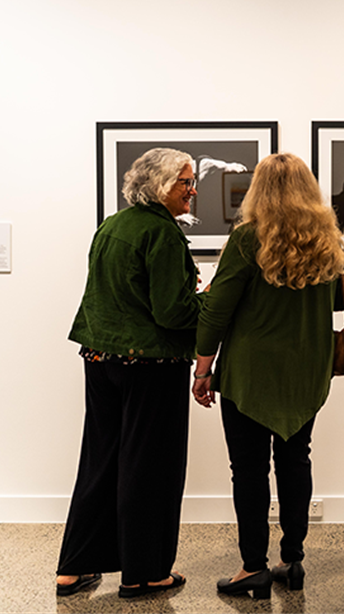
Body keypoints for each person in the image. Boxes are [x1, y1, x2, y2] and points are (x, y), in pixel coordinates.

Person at [192, 153, 344, 599]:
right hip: (305, 372)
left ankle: (252, 569)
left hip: (250, 375)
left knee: (248, 470)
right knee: (296, 461)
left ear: (258, 190)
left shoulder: (247, 240)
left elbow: (216, 311)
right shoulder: (328, 240)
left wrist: (203, 369)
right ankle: (292, 560)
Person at [56, 148, 204, 598]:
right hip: (151, 366)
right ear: (160, 186)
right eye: (185, 182)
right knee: (150, 467)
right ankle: (144, 572)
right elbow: (172, 313)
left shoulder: (113, 225)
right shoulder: (162, 234)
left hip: (101, 358)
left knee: (100, 461)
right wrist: (208, 300)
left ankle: (74, 568)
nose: (192, 190)